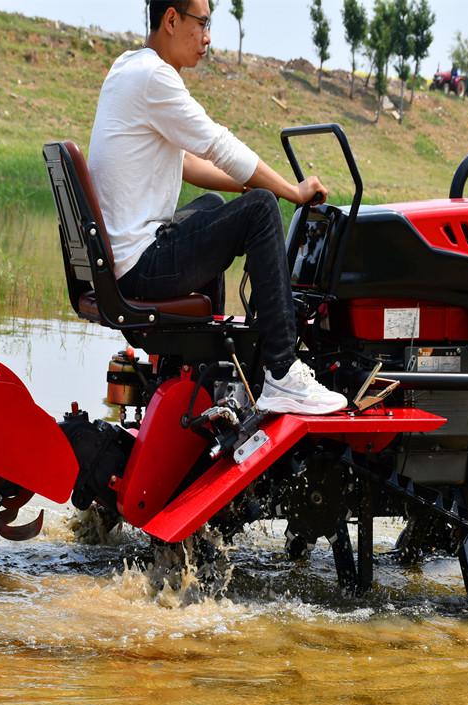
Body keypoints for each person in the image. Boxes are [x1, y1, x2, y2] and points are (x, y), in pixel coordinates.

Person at [87, 0, 346, 416]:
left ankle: (207, 369)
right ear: (171, 20)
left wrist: (251, 184)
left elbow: (186, 162)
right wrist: (289, 192)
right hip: (140, 268)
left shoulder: (127, 67)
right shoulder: (155, 78)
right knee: (261, 208)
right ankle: (281, 372)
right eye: (203, 23)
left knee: (214, 204)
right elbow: (218, 145)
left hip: (126, 262)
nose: (208, 37)